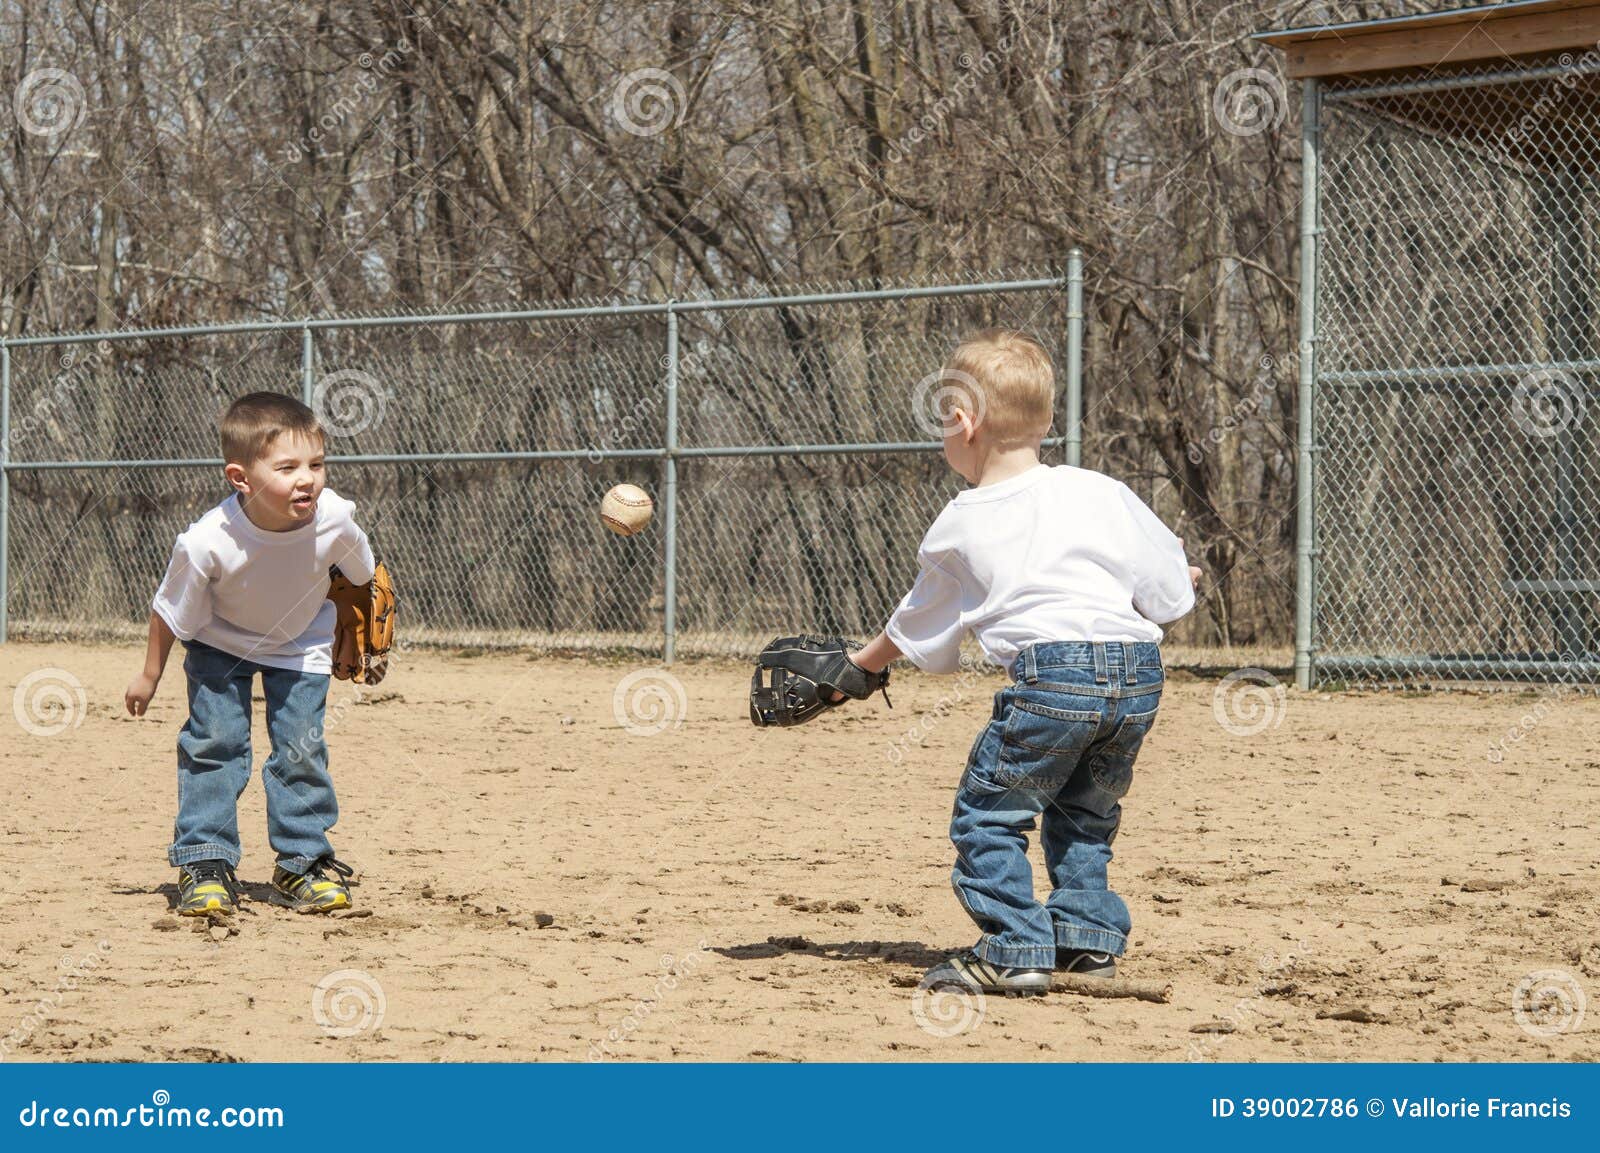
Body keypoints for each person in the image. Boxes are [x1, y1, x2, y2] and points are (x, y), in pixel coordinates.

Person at [843, 330, 1200, 994]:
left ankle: (1014, 945)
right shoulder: (1100, 490)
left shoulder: (964, 517)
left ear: (963, 422)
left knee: (988, 811)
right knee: (1085, 810)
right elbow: (1167, 588)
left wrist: (859, 667)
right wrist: (1186, 576)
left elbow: (920, 624)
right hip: (1138, 676)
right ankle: (1086, 938)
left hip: (1053, 675)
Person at [125, 392, 373, 916]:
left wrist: (358, 626)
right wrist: (149, 675)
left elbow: (362, 580)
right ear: (240, 478)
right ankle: (205, 861)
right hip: (221, 643)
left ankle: (302, 864)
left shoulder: (336, 519)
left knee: (301, 751)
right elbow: (169, 610)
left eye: (317, 463)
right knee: (215, 744)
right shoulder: (206, 541)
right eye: (287, 467)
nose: (307, 477)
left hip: (301, 643)